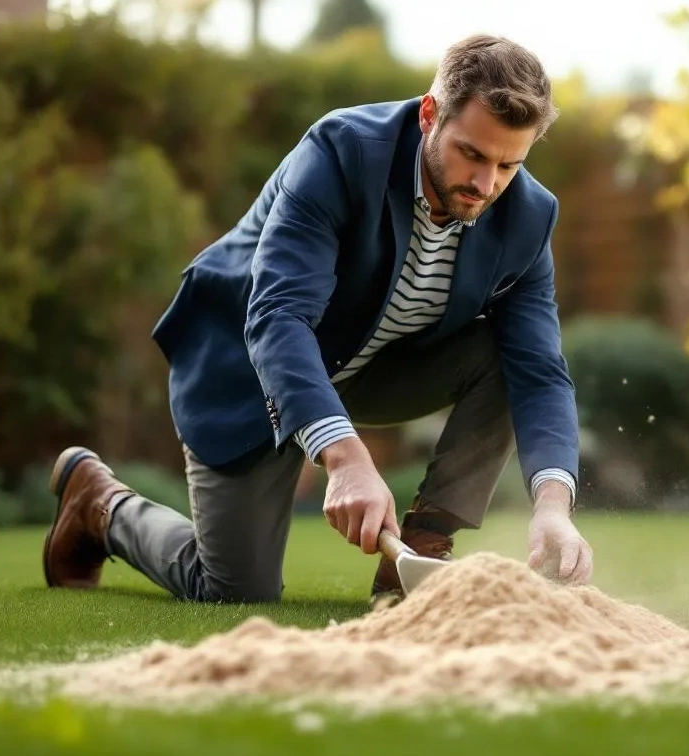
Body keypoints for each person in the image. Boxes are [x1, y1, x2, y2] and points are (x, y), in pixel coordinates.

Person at [40, 33, 593, 606]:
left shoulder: (529, 216)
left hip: (367, 368)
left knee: (504, 356)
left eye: (509, 164)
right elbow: (278, 315)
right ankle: (99, 505)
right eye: (472, 154)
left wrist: (552, 505)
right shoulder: (341, 152)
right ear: (430, 114)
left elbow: (540, 371)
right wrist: (345, 458)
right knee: (234, 588)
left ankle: (423, 551)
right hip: (247, 365)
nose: (486, 184)